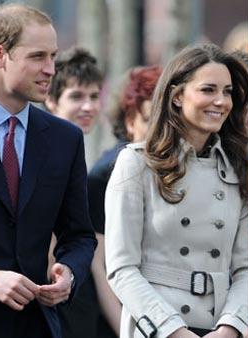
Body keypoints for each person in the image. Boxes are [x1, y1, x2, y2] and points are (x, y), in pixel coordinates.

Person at [105, 44, 248, 337]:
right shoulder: (135, 163)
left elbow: (246, 269)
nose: (221, 101)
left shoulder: (238, 170)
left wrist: (231, 327)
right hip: (157, 328)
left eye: (228, 91)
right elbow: (121, 269)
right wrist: (173, 331)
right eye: (208, 90)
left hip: (218, 326)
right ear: (177, 96)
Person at [0, 4, 96, 338]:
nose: (51, 69)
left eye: (54, 56)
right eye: (38, 56)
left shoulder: (65, 139)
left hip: (37, 326)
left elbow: (79, 235)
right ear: (0, 56)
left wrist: (69, 272)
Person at [44, 47, 118, 338]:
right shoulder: (48, 155)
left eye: (93, 96)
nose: (88, 106)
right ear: (50, 99)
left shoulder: (74, 152)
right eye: (76, 96)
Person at [84, 65, 162, 337]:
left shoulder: (162, 166)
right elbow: (101, 266)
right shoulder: (107, 174)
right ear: (130, 120)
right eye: (149, 120)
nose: (159, 131)